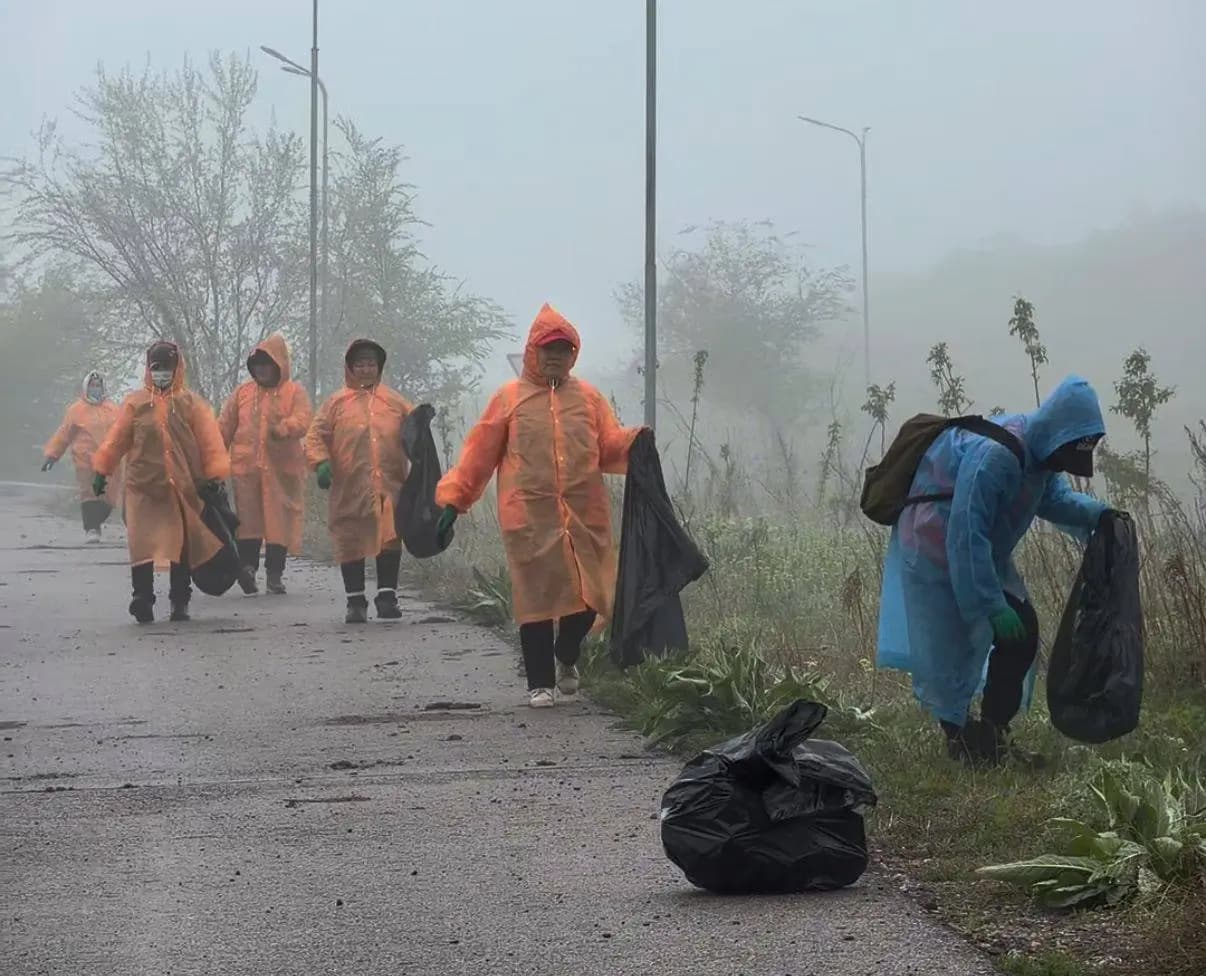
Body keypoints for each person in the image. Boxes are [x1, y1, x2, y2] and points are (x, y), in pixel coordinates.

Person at [876, 375, 1121, 766]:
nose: (1065, 465)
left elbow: (1053, 499)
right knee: (949, 645)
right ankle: (959, 740)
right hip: (934, 546)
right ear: (1058, 433)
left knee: (1022, 635)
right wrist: (990, 604)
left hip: (980, 551)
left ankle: (992, 731)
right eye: (1067, 455)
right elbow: (965, 533)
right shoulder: (998, 457)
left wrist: (1100, 514)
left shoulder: (1039, 456)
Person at [434, 303, 644, 708]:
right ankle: (540, 683)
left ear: (573, 355)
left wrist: (639, 443)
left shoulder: (589, 399)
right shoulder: (508, 399)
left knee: (593, 595)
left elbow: (609, 444)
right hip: (528, 516)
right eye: (548, 348)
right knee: (536, 597)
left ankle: (567, 653)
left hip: (586, 515)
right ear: (532, 351)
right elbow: (478, 456)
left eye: (563, 350)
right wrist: (453, 503)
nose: (555, 356)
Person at [92, 341, 230, 624]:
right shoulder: (136, 403)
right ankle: (142, 598)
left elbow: (210, 444)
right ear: (148, 368)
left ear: (177, 368)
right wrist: (101, 470)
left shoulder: (192, 404)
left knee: (180, 545)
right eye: (156, 368)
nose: (161, 373)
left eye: (166, 367)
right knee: (141, 544)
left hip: (181, 489)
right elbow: (117, 441)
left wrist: (214, 475)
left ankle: (180, 601)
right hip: (142, 487)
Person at [305, 339, 413, 624]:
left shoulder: (395, 401)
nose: (366, 369)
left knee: (389, 537)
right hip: (349, 486)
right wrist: (321, 463)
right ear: (350, 368)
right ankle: (355, 601)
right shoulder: (336, 403)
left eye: (371, 364)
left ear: (379, 367)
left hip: (390, 484)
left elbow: (415, 431)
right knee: (350, 538)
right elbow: (315, 435)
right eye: (360, 364)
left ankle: (387, 597)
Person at [218, 333, 313, 596]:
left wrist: (283, 429)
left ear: (279, 364)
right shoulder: (243, 393)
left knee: (277, 523)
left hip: (283, 472)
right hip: (245, 470)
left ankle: (274, 574)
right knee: (248, 522)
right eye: (256, 365)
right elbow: (224, 428)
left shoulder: (294, 392)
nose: (261, 370)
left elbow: (304, 420)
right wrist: (212, 460)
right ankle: (248, 569)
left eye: (266, 364)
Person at [42, 371, 123, 543]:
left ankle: (97, 521)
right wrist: (52, 456)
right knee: (90, 493)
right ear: (86, 387)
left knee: (108, 496)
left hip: (109, 461)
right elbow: (63, 435)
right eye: (92, 386)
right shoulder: (76, 410)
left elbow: (124, 434)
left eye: (98, 386)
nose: (95, 389)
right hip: (85, 460)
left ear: (103, 388)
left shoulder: (113, 409)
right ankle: (92, 528)